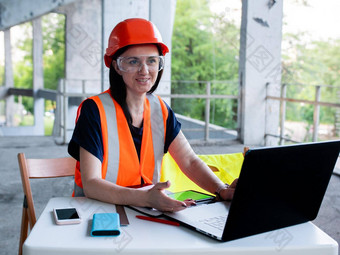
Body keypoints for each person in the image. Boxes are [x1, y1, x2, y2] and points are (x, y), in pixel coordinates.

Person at [68, 18, 237, 212]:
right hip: (96, 213)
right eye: (133, 61)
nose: (144, 70)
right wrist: (146, 198)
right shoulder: (94, 110)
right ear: (116, 66)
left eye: (152, 61)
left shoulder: (160, 110)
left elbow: (189, 161)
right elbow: (91, 183)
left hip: (144, 213)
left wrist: (221, 189)